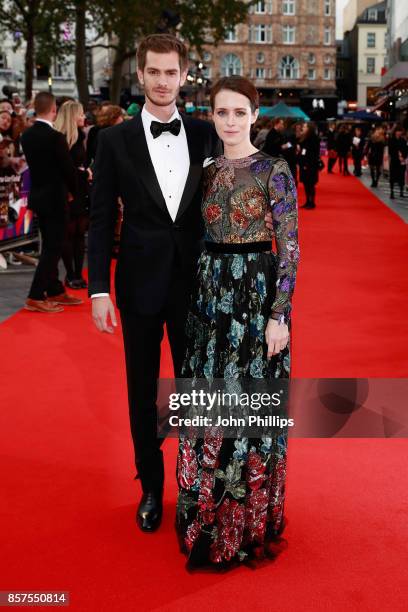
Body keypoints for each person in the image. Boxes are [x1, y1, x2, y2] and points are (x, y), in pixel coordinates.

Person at [88, 34, 221, 532]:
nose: (163, 82)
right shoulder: (113, 140)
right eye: (154, 72)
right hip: (139, 285)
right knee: (142, 392)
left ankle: (193, 488)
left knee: (192, 391)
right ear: (139, 75)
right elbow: (100, 220)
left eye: (172, 73)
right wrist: (98, 288)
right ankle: (150, 486)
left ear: (183, 76)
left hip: (195, 286)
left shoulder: (208, 134)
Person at [175, 76, 299, 569]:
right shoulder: (202, 171)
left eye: (238, 112)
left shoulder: (276, 170)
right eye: (221, 113)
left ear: (254, 114)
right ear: (212, 115)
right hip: (209, 297)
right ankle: (207, 519)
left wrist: (279, 315)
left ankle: (246, 524)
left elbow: (289, 248)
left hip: (255, 294)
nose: (229, 121)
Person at [21, 91, 82, 313]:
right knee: (53, 248)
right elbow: (68, 171)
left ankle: (55, 289)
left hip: (38, 198)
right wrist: (74, 192)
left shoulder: (26, 136)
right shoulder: (55, 137)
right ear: (54, 109)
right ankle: (35, 295)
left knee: (50, 245)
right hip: (56, 199)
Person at [55, 101, 91, 288]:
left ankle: (77, 273)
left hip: (81, 190)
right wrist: (84, 173)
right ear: (71, 116)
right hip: (68, 192)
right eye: (81, 114)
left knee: (79, 233)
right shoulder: (61, 139)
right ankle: (70, 274)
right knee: (69, 234)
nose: (84, 117)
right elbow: (63, 169)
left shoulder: (80, 136)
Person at [298, 122, 320, 209]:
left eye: (304, 126)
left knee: (311, 184)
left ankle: (312, 202)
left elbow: (314, 154)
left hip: (311, 165)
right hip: (304, 164)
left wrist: (307, 164)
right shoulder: (304, 137)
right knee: (306, 184)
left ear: (309, 128)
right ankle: (307, 201)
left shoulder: (314, 138)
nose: (303, 128)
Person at [388, 124, 407, 198]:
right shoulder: (391, 140)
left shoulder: (403, 140)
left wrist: (403, 157)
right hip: (394, 161)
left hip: (402, 161)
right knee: (393, 176)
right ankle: (392, 192)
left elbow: (406, 150)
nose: (399, 133)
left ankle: (401, 192)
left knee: (401, 176)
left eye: (400, 131)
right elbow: (390, 151)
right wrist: (397, 156)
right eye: (397, 131)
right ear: (395, 131)